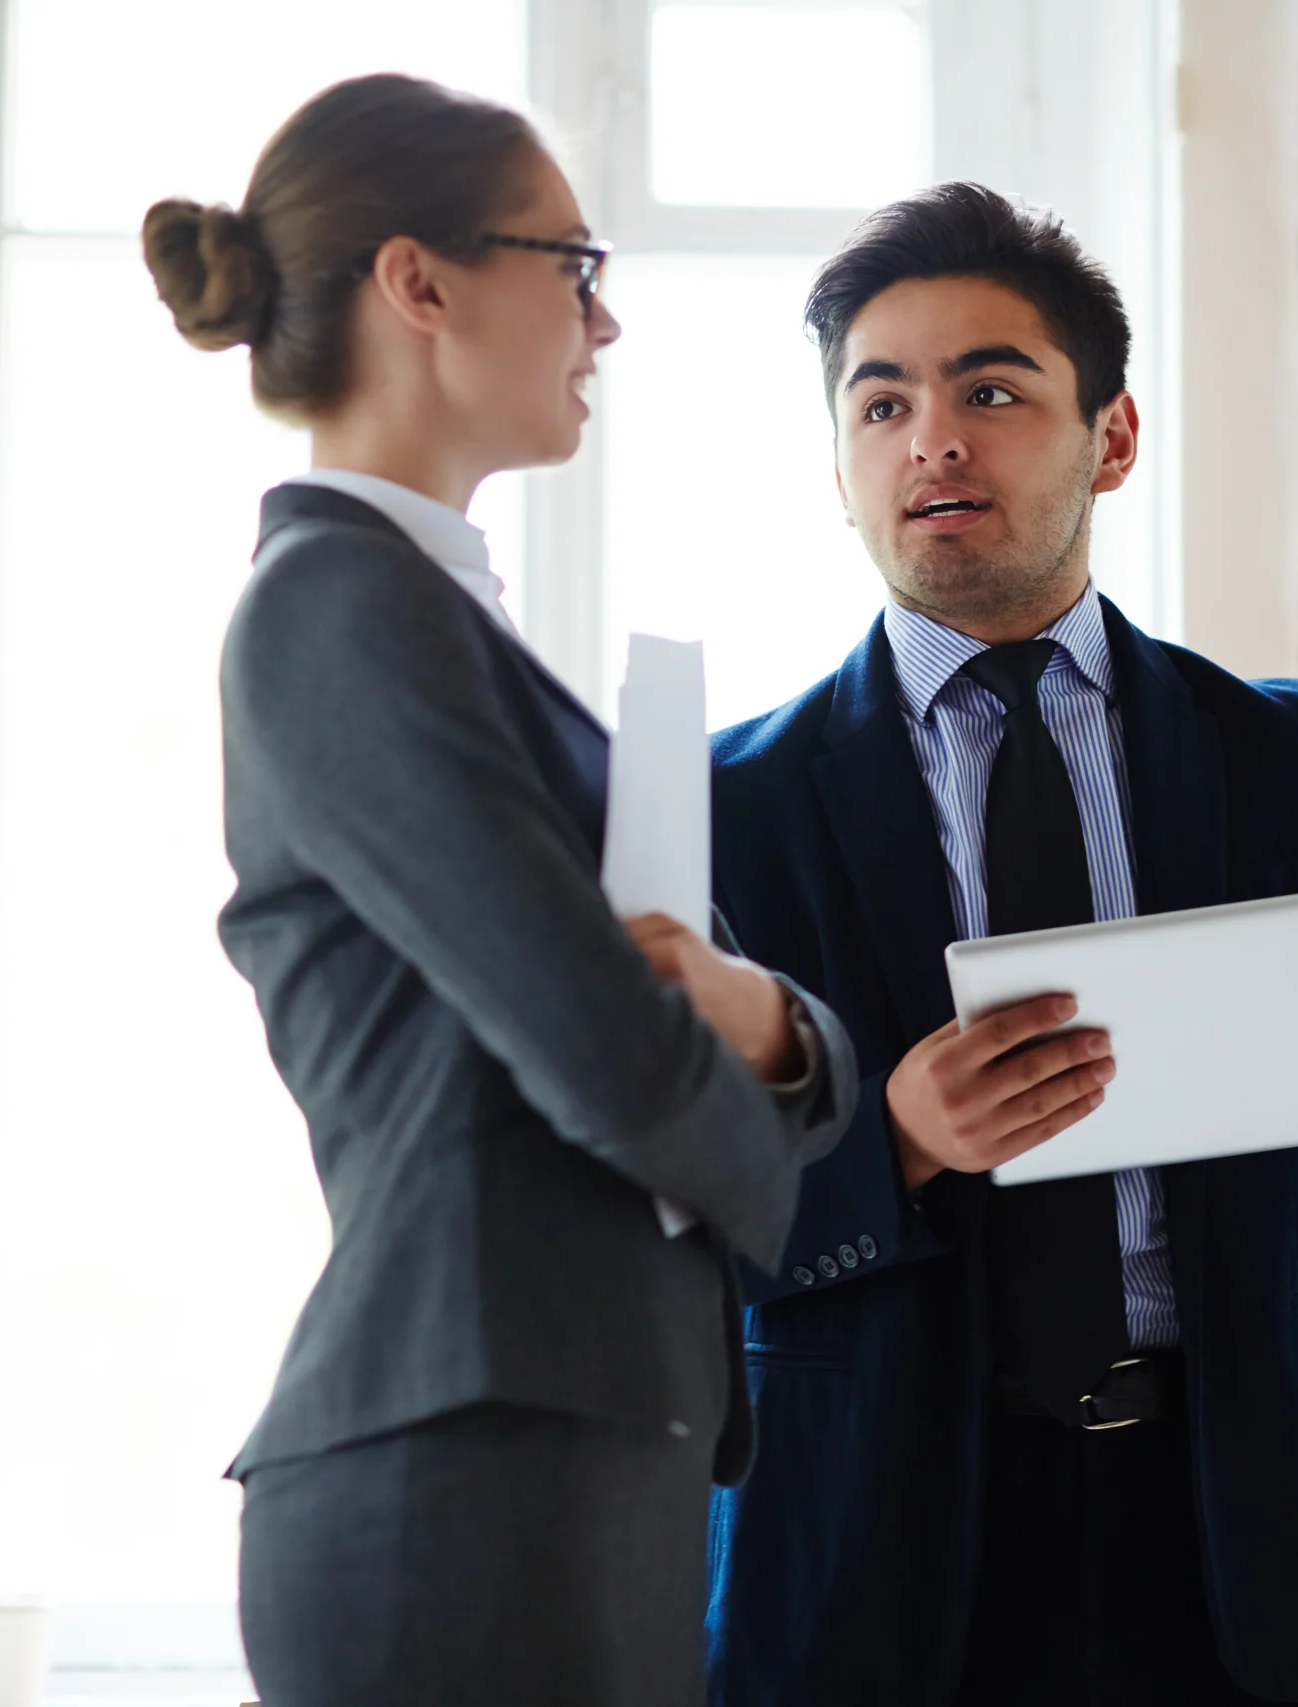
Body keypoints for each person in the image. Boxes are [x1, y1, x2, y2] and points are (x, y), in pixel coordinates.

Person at [699, 183, 1298, 1707]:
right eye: (880, 401)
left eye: (992, 388)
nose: (933, 439)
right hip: (863, 1576)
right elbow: (659, 1235)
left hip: (1230, 1558)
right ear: (840, 468)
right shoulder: (729, 811)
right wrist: (886, 1139)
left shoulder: (1287, 756)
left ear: (1114, 437)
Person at [142, 74, 854, 1706]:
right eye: (576, 265)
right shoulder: (332, 608)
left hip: (554, 1452)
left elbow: (714, 1015)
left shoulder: (434, 616)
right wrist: (770, 1063)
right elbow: (601, 1039)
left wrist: (765, 1023)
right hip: (463, 1478)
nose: (605, 325)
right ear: (420, 282)